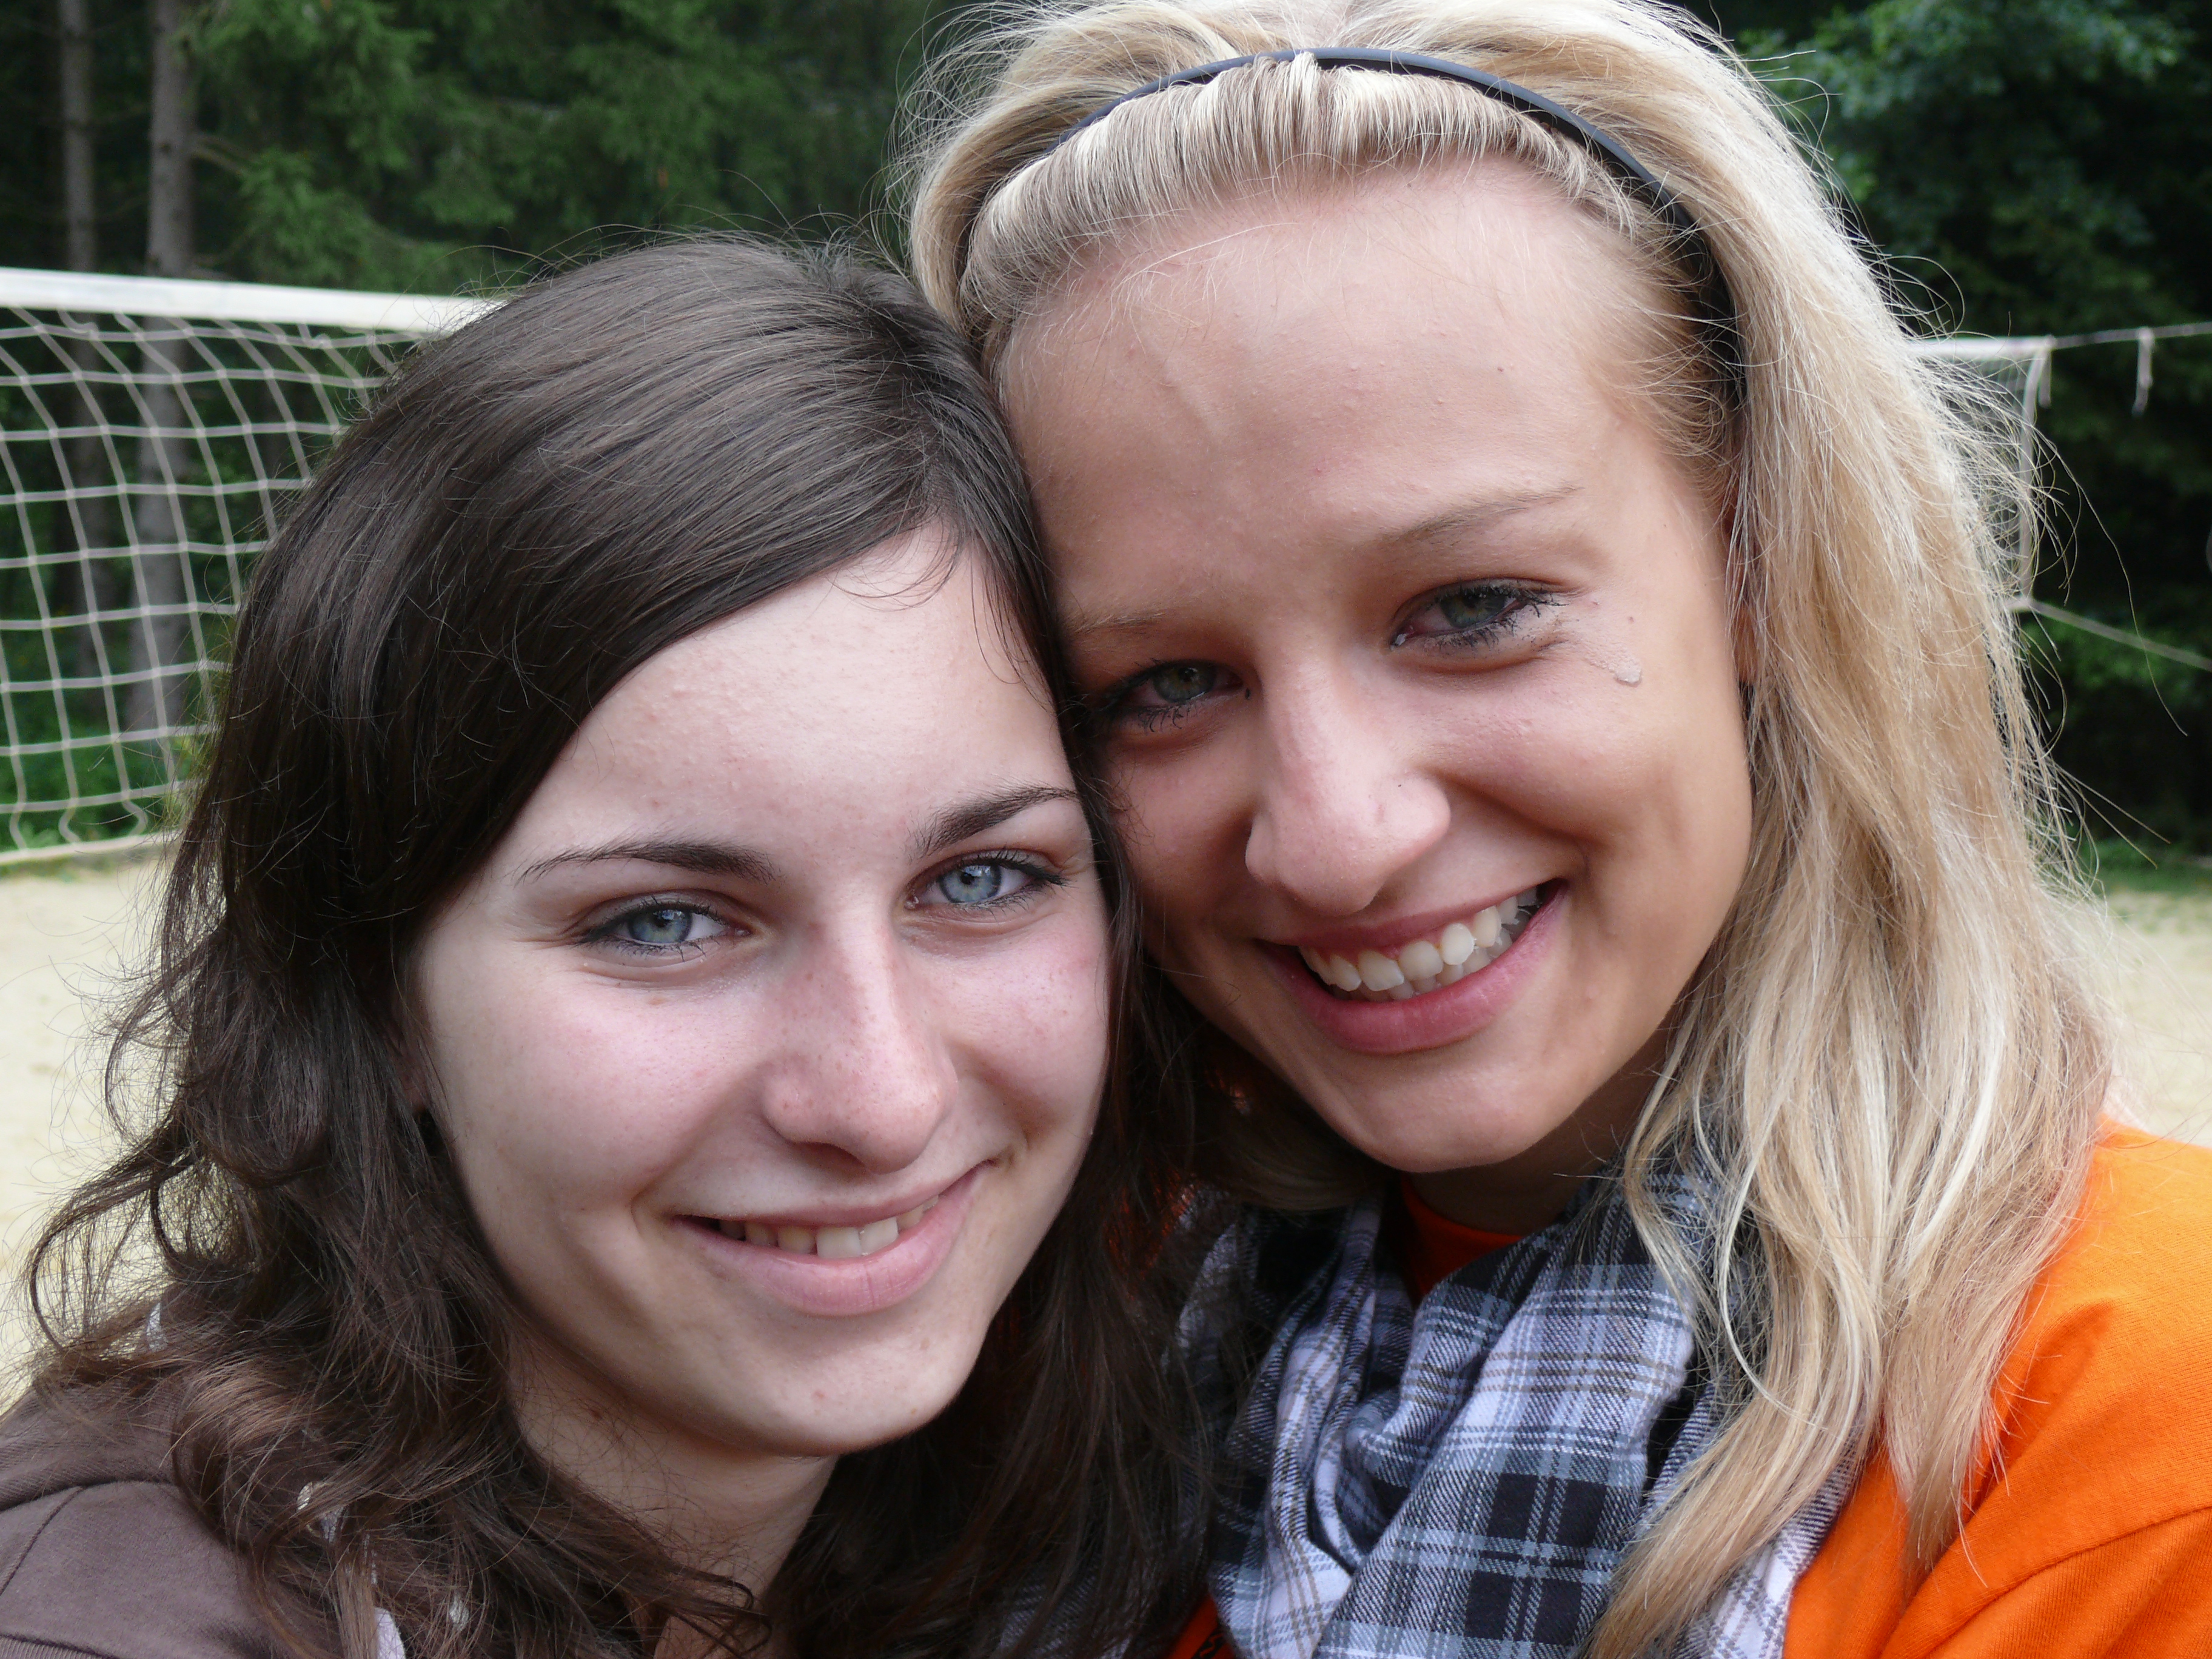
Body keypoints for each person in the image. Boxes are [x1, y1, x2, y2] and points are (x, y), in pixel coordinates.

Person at [905, 2, 2212, 1655]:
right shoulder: (1030, 1297)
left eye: (1474, 607)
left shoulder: (2125, 1420)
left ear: (1759, 559)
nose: (1336, 836)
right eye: (1162, 686)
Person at [0, 240, 1202, 1659]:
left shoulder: (1131, 1480)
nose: (882, 1102)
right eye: (662, 923)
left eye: (984, 879)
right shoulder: (123, 1609)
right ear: (376, 993)